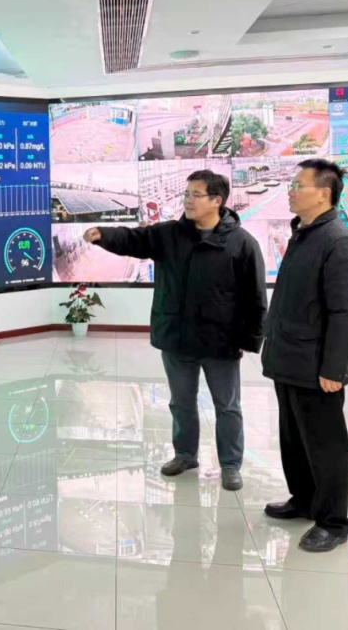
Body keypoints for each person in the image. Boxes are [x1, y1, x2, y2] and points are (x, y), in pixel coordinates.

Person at [84, 169, 266, 491]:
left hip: (220, 341)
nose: (188, 201)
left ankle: (230, 464)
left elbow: (255, 296)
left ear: (217, 201)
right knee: (181, 402)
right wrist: (104, 235)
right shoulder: (169, 234)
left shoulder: (241, 243)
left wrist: (250, 339)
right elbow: (135, 240)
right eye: (186, 194)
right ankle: (185, 454)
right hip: (176, 336)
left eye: (196, 195)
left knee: (227, 406)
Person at [261, 158, 348, 553]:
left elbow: (346, 312)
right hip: (289, 357)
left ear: (323, 193)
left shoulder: (338, 241)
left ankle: (333, 522)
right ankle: (304, 500)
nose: (290, 190)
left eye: (297, 185)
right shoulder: (303, 234)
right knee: (294, 439)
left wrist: (334, 368)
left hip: (316, 364)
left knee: (325, 445)